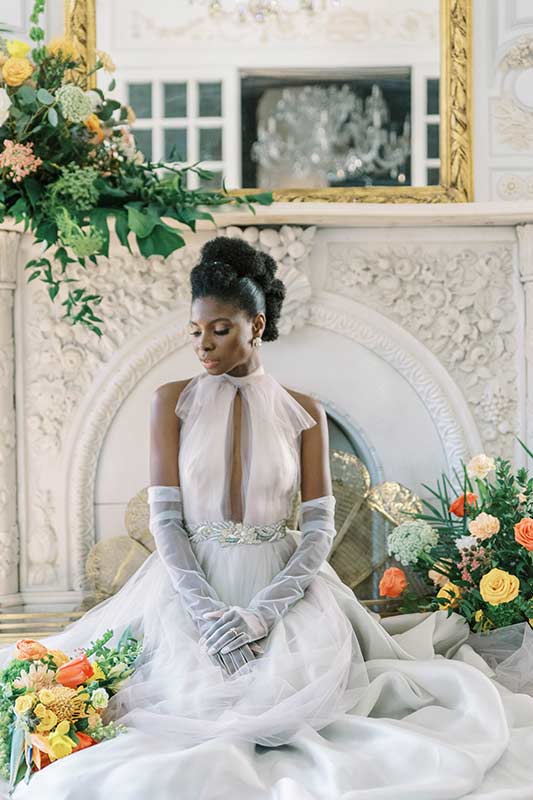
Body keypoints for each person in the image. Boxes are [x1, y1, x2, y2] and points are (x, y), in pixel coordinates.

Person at [2, 235, 533, 800]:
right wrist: (208, 615)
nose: (204, 345)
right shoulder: (170, 401)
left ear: (256, 325)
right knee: (173, 700)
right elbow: (166, 521)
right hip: (188, 588)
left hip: (282, 588)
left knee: (293, 708)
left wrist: (261, 616)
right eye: (196, 331)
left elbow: (318, 528)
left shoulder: (306, 411)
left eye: (220, 329)